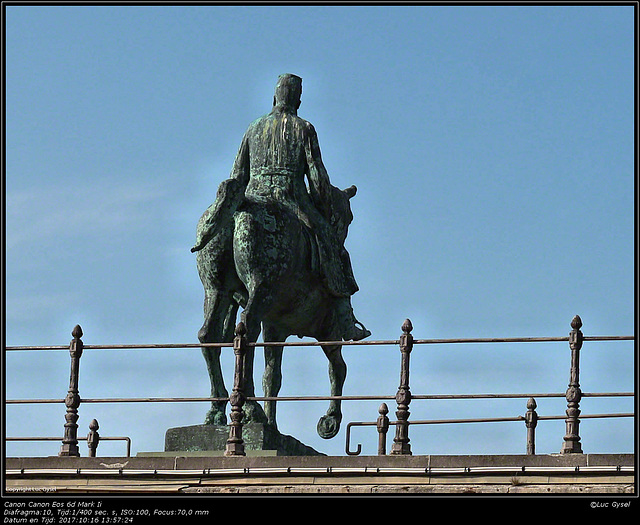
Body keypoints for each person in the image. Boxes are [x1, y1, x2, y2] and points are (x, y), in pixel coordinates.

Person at [192, 74, 369, 341]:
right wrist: (322, 204)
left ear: (275, 97)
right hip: (290, 201)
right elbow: (318, 180)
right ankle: (346, 321)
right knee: (335, 249)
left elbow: (238, 174)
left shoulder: (254, 128)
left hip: (250, 197)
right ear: (297, 99)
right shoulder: (304, 128)